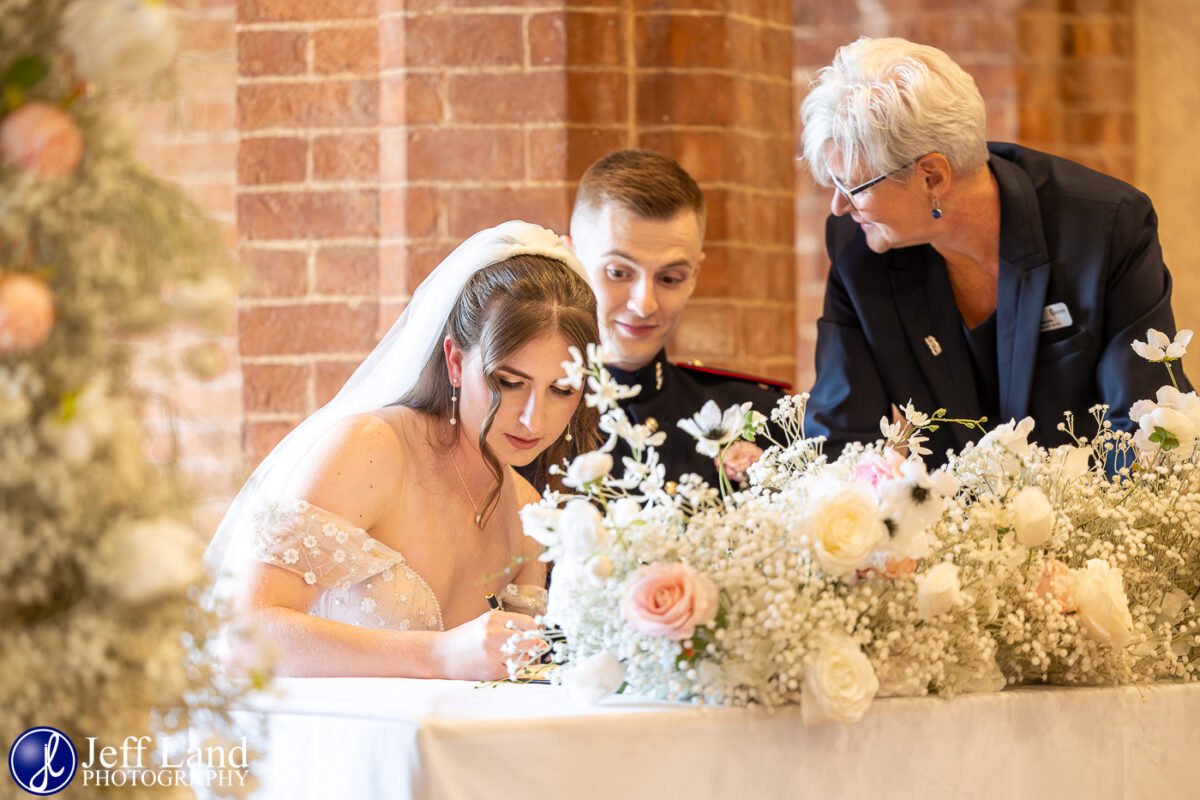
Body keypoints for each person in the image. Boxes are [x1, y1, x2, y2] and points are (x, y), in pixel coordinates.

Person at [205, 222, 599, 680]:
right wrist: (439, 656)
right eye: (509, 383)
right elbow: (241, 637)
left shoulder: (529, 515)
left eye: (562, 389)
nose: (535, 419)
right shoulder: (371, 451)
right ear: (454, 361)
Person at [799, 36, 1191, 465]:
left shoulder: (1105, 228)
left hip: (1091, 521)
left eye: (852, 186)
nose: (839, 206)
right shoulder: (860, 249)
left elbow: (1146, 426)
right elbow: (839, 442)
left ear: (932, 176)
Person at [568, 150, 789, 487]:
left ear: (694, 276)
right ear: (572, 261)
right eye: (618, 272)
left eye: (669, 278)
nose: (644, 305)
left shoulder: (762, 418)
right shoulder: (526, 425)